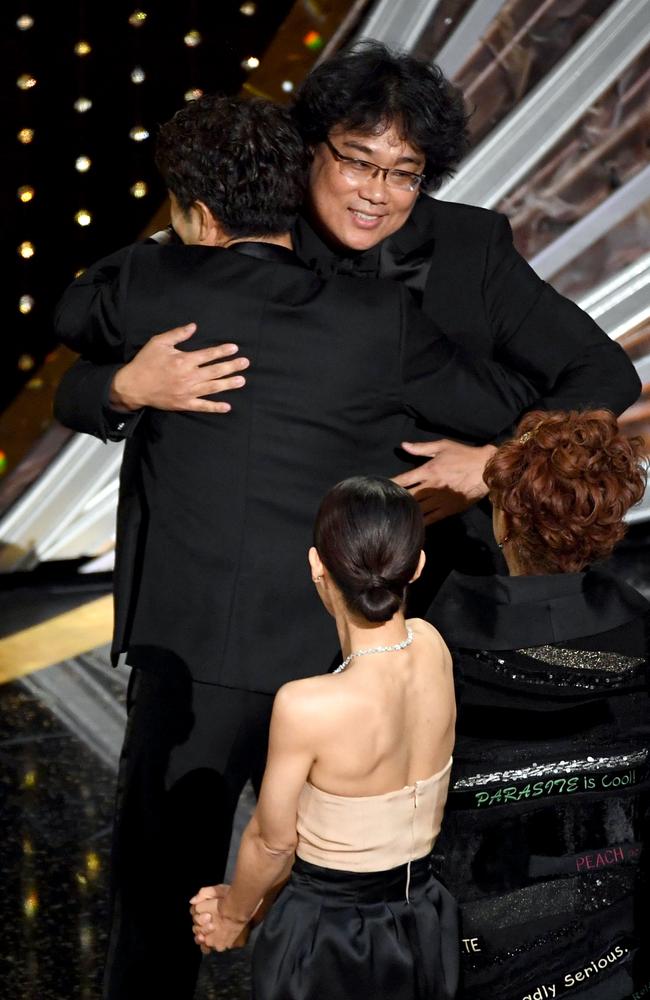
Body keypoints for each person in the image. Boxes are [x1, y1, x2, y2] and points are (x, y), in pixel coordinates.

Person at [55, 94, 550, 1000]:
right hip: (335, 659)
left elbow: (70, 320)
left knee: (158, 907)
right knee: (343, 905)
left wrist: (123, 384)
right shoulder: (379, 322)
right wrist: (487, 463)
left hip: (190, 659)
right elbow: (504, 403)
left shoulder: (150, 282)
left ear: (196, 213)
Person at [54, 42, 640, 602]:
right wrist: (125, 387)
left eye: (404, 173)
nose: (377, 193)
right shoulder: (246, 231)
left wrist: (494, 460)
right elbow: (86, 352)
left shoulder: (468, 245)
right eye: (360, 163)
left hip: (433, 571)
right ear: (311, 148)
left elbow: (602, 372)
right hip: (265, 570)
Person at [191, 476, 459, 1000]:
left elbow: (273, 842)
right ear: (418, 566)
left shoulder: (306, 704)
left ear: (317, 565)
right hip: (424, 917)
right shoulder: (434, 647)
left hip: (329, 937)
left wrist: (231, 916)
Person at [429, 410, 649, 1000]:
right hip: (618, 929)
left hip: (474, 928)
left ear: (503, 521)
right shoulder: (642, 633)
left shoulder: (438, 641)